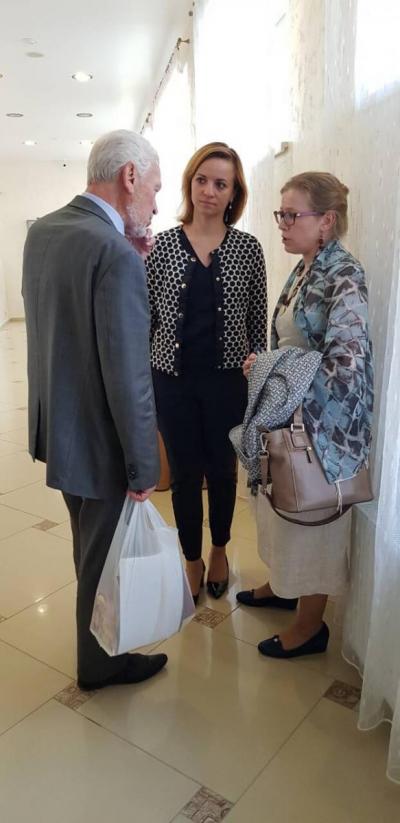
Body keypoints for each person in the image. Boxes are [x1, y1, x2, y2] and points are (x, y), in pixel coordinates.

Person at [22, 129, 168, 689]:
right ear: (129, 177)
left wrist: (128, 261)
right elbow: (128, 376)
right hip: (101, 437)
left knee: (88, 546)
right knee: (102, 556)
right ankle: (100, 665)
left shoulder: (44, 231)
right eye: (154, 189)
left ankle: (98, 646)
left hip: (59, 426)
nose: (155, 205)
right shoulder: (114, 252)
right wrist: (144, 465)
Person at [237, 171, 373, 658]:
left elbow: (346, 363)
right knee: (282, 513)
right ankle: (284, 586)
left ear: (326, 221)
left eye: (291, 215)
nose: (282, 223)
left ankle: (310, 626)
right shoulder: (306, 268)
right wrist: (266, 363)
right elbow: (293, 341)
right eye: (282, 214)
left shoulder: (345, 274)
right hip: (290, 414)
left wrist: (273, 367)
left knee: (311, 517)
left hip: (322, 428)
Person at [146, 142, 268, 604]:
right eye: (202, 180)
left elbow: (257, 323)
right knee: (182, 474)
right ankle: (191, 559)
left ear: (234, 193)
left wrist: (258, 377)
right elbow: (147, 320)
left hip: (226, 383)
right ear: (189, 183)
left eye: (221, 184)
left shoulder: (247, 249)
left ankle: (219, 549)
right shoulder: (160, 247)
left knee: (221, 470)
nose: (209, 191)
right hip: (171, 381)